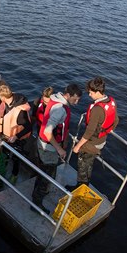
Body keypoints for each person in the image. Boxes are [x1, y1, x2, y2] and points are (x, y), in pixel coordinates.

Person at [30, 84, 82, 214]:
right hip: (49, 148)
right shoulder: (60, 109)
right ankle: (36, 204)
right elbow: (48, 132)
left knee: (43, 171)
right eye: (75, 99)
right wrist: (59, 149)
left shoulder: (54, 99)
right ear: (68, 95)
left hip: (43, 143)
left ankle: (38, 194)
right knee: (45, 177)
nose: (77, 102)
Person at [71, 76, 118, 189]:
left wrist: (77, 146)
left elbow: (89, 132)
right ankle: (85, 184)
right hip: (101, 141)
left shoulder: (97, 109)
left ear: (97, 92)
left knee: (83, 164)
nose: (89, 95)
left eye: (91, 92)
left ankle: (80, 187)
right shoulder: (111, 101)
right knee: (89, 164)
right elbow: (116, 120)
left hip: (92, 143)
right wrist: (107, 131)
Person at [0, 84, 32, 184]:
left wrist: (16, 136)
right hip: (5, 136)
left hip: (17, 139)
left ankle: (14, 175)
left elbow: (28, 127)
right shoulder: (5, 104)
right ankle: (3, 169)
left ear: (2, 97)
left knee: (16, 158)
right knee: (5, 154)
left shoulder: (20, 111)